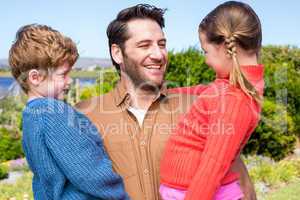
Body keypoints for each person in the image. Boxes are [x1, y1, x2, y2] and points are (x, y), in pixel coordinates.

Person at [76, 4, 257, 200]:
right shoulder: (85, 115)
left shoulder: (198, 107)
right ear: (117, 53)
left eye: (161, 44)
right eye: (144, 45)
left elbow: (238, 183)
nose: (158, 54)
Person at [8, 24, 129, 200]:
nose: (69, 81)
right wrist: (119, 195)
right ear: (35, 78)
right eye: (63, 74)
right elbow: (88, 171)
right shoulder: (52, 113)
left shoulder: (30, 116)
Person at [160, 1, 264, 200]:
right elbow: (207, 91)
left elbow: (213, 167)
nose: (206, 60)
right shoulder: (235, 89)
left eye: (205, 51)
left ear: (226, 47)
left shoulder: (233, 100)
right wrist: (170, 91)